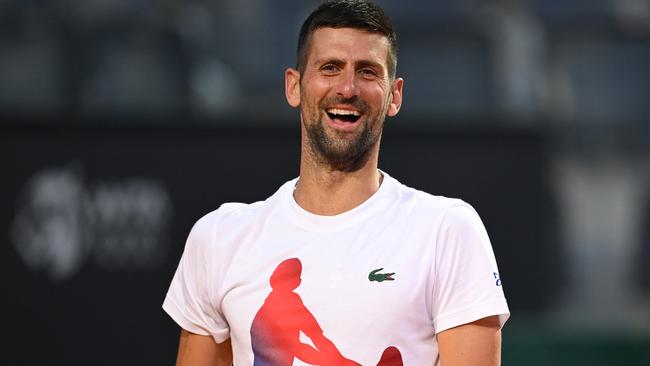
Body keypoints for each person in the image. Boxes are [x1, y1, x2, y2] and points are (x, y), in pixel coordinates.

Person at [163, 1, 510, 365]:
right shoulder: (219, 239)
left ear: (395, 95)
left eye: (368, 72)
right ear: (294, 86)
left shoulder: (446, 231)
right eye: (330, 68)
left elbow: (315, 343)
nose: (348, 88)